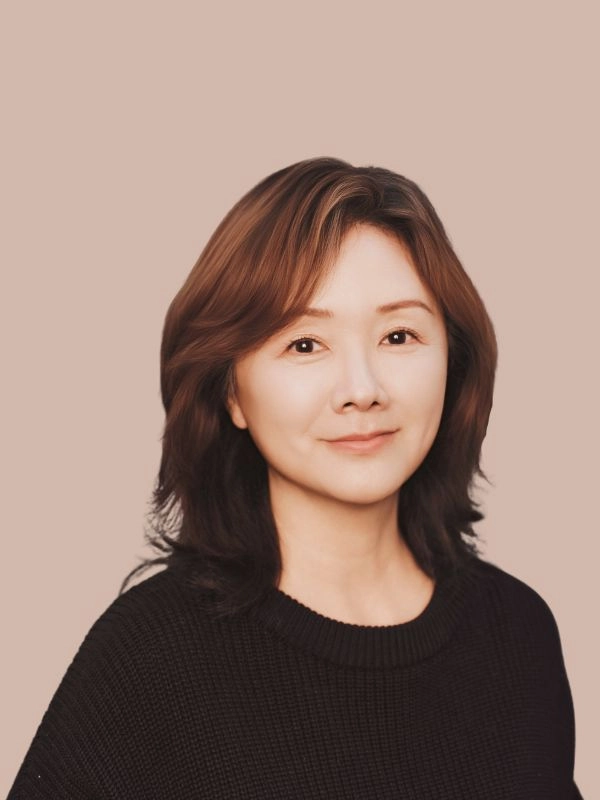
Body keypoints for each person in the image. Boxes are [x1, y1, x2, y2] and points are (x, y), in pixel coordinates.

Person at [8, 157, 583, 798]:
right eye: (305, 345)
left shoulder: (517, 633)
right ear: (231, 391)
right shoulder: (149, 658)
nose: (362, 389)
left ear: (455, 360)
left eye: (398, 335)